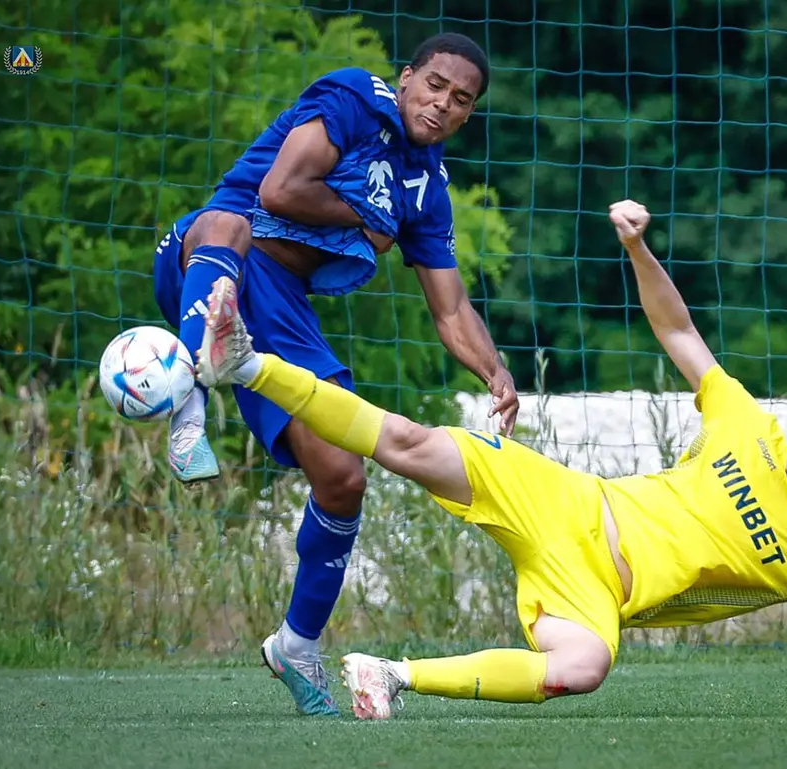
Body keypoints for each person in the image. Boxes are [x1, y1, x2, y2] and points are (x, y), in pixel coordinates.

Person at [196, 200, 787, 719]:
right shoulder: (748, 424)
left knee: (584, 667)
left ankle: (391, 674)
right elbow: (679, 332)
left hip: (593, 587)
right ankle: (247, 363)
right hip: (565, 499)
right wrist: (636, 246)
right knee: (404, 442)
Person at [152, 33, 519, 717]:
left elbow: (450, 307)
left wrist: (495, 370)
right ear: (406, 78)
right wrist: (364, 214)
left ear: (470, 113)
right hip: (213, 256)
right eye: (435, 85)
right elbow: (279, 189)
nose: (442, 104)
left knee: (345, 476)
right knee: (227, 221)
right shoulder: (355, 95)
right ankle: (187, 406)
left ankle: (296, 644)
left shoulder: (426, 188)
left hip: (282, 308)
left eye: (461, 99)